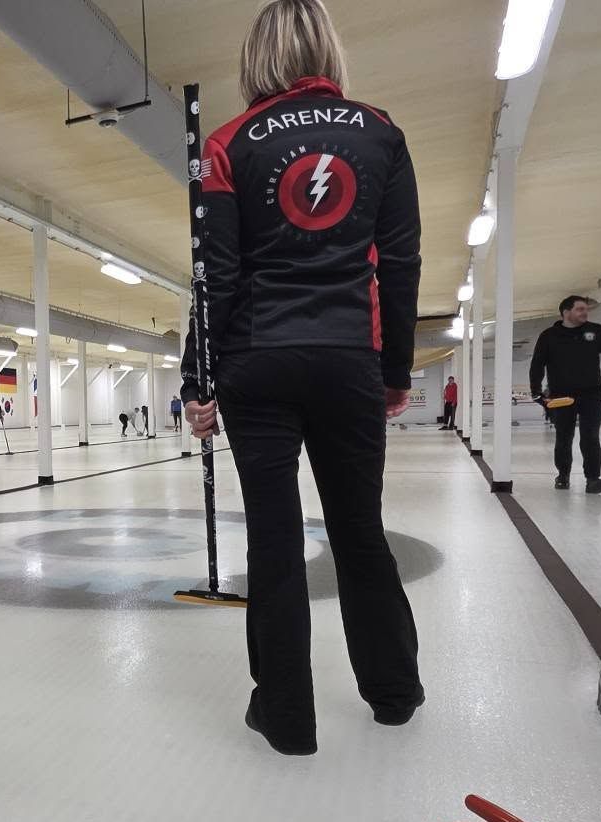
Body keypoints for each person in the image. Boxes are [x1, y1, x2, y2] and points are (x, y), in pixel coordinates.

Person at [182, 0, 424, 756]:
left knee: (276, 540)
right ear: (328, 47)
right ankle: (393, 693)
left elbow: (212, 276)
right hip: (350, 354)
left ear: (256, 57)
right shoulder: (381, 132)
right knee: (359, 530)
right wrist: (395, 369)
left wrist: (200, 380)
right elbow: (402, 262)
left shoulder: (226, 144)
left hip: (258, 360)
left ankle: (286, 715)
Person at [530, 294, 601, 493]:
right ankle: (563, 475)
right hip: (561, 396)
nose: (585, 312)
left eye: (586, 309)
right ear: (566, 312)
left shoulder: (597, 331)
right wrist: (537, 393)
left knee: (590, 437)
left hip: (592, 394)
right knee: (563, 437)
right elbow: (537, 366)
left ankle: (593, 479)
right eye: (580, 309)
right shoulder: (549, 336)